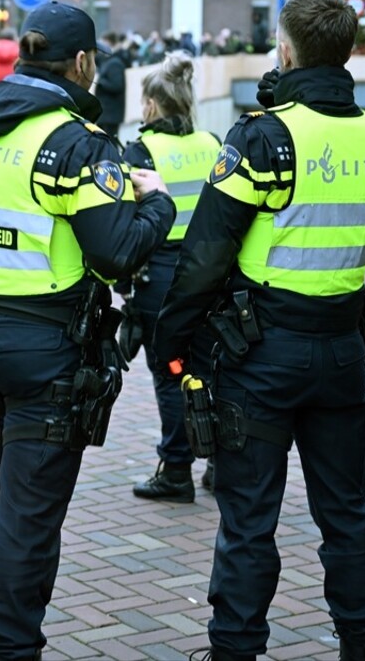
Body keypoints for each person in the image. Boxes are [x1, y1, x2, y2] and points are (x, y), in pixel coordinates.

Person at [154, 0, 365, 661]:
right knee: (345, 513)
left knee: (248, 519)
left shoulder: (262, 136)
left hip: (259, 354)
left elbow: (205, 254)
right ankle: (362, 645)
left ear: (286, 49)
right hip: (343, 351)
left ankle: (234, 649)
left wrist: (168, 343)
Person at [0, 1, 176, 661]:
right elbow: (116, 252)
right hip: (44, 349)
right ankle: (10, 643)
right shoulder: (76, 143)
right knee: (30, 513)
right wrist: (158, 203)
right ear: (81, 63)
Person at [121, 53, 221, 503]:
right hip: (212, 275)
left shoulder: (140, 152)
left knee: (170, 372)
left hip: (161, 279)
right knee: (213, 367)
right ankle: (219, 462)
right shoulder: (214, 143)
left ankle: (176, 468)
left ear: (150, 104)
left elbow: (128, 223)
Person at [94, 31, 130, 136]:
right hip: (107, 113)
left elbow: (117, 85)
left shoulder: (115, 63)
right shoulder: (108, 60)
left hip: (111, 113)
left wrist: (100, 81)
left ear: (109, 42)